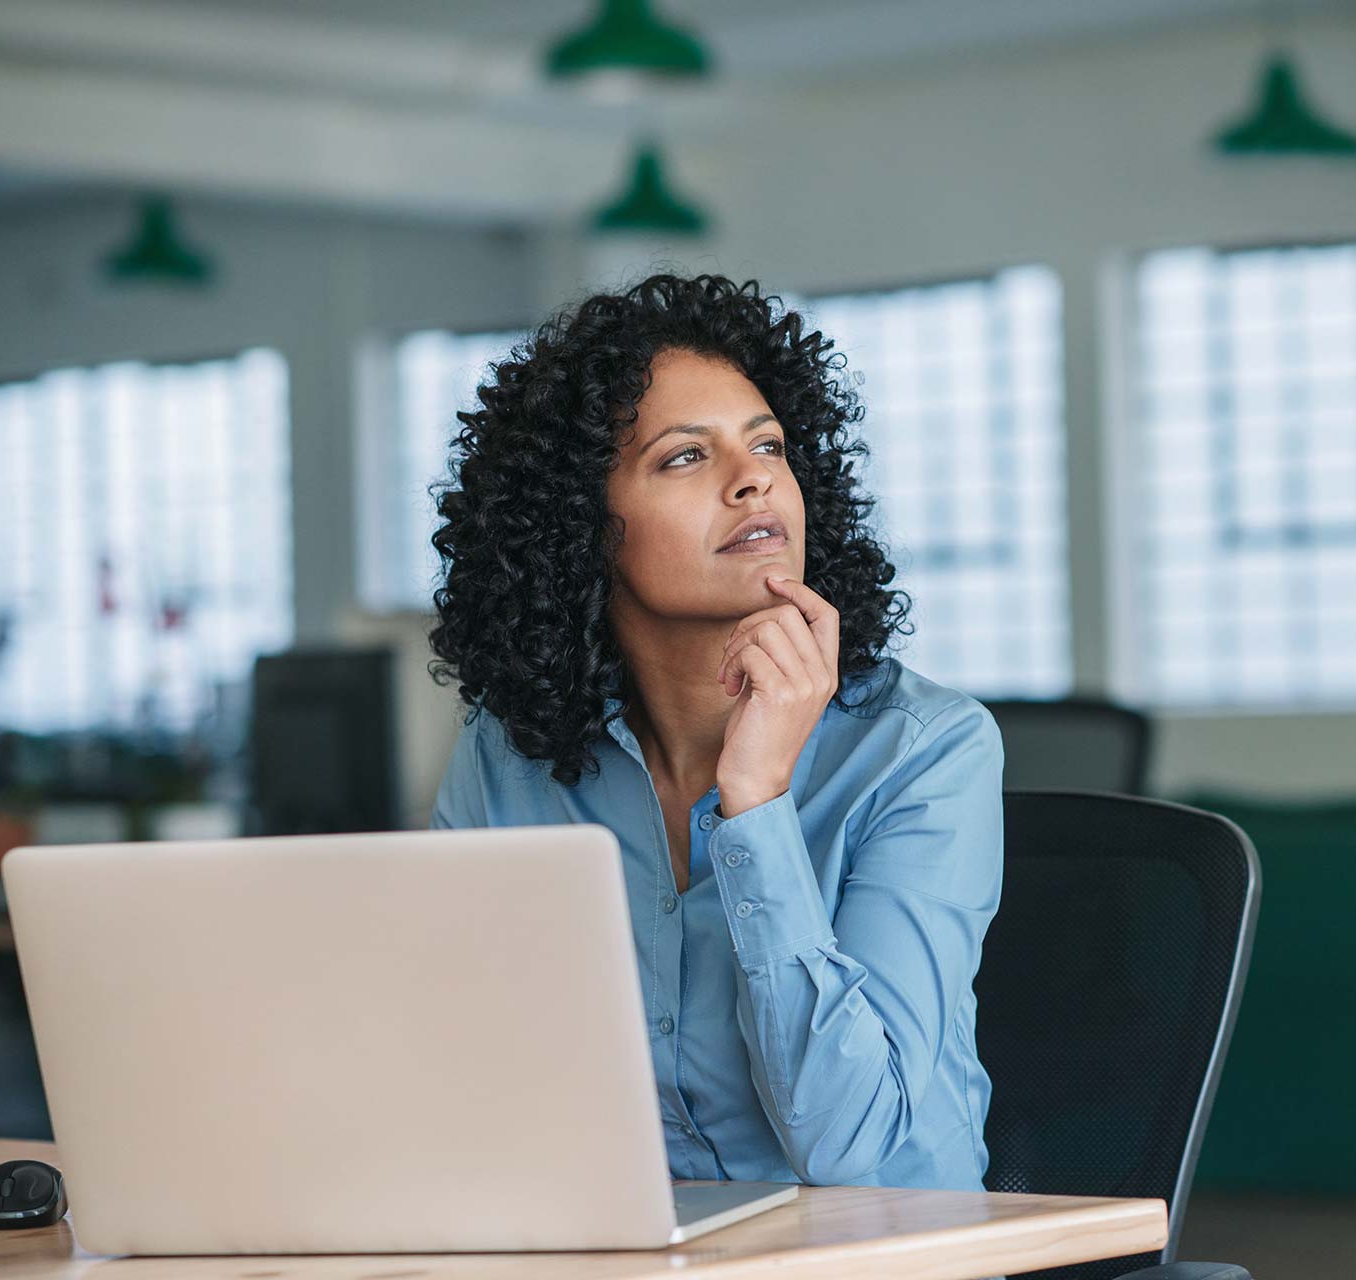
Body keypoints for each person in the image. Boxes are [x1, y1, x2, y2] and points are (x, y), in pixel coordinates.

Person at [425, 272, 1005, 1195]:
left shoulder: (925, 749)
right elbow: (451, 1073)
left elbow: (850, 1145)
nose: (754, 479)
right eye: (685, 458)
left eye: (768, 444)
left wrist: (758, 800)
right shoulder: (509, 757)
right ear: (582, 529)